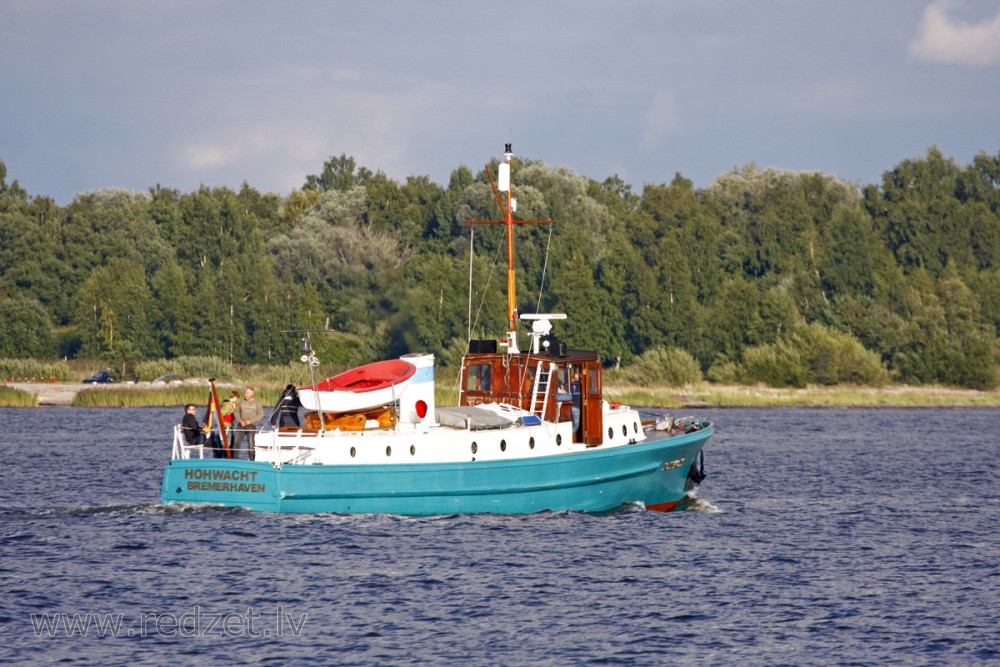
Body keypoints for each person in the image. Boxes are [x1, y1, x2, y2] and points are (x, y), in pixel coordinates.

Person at [232, 387, 264, 461]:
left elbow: (260, 414)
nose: (245, 394)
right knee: (236, 443)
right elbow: (235, 411)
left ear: (252, 394)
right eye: (245, 393)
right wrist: (240, 420)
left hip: (251, 425)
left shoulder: (257, 403)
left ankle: (252, 461)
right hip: (241, 425)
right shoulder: (241, 401)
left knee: (251, 444)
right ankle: (235, 460)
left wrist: (250, 421)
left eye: (247, 393)